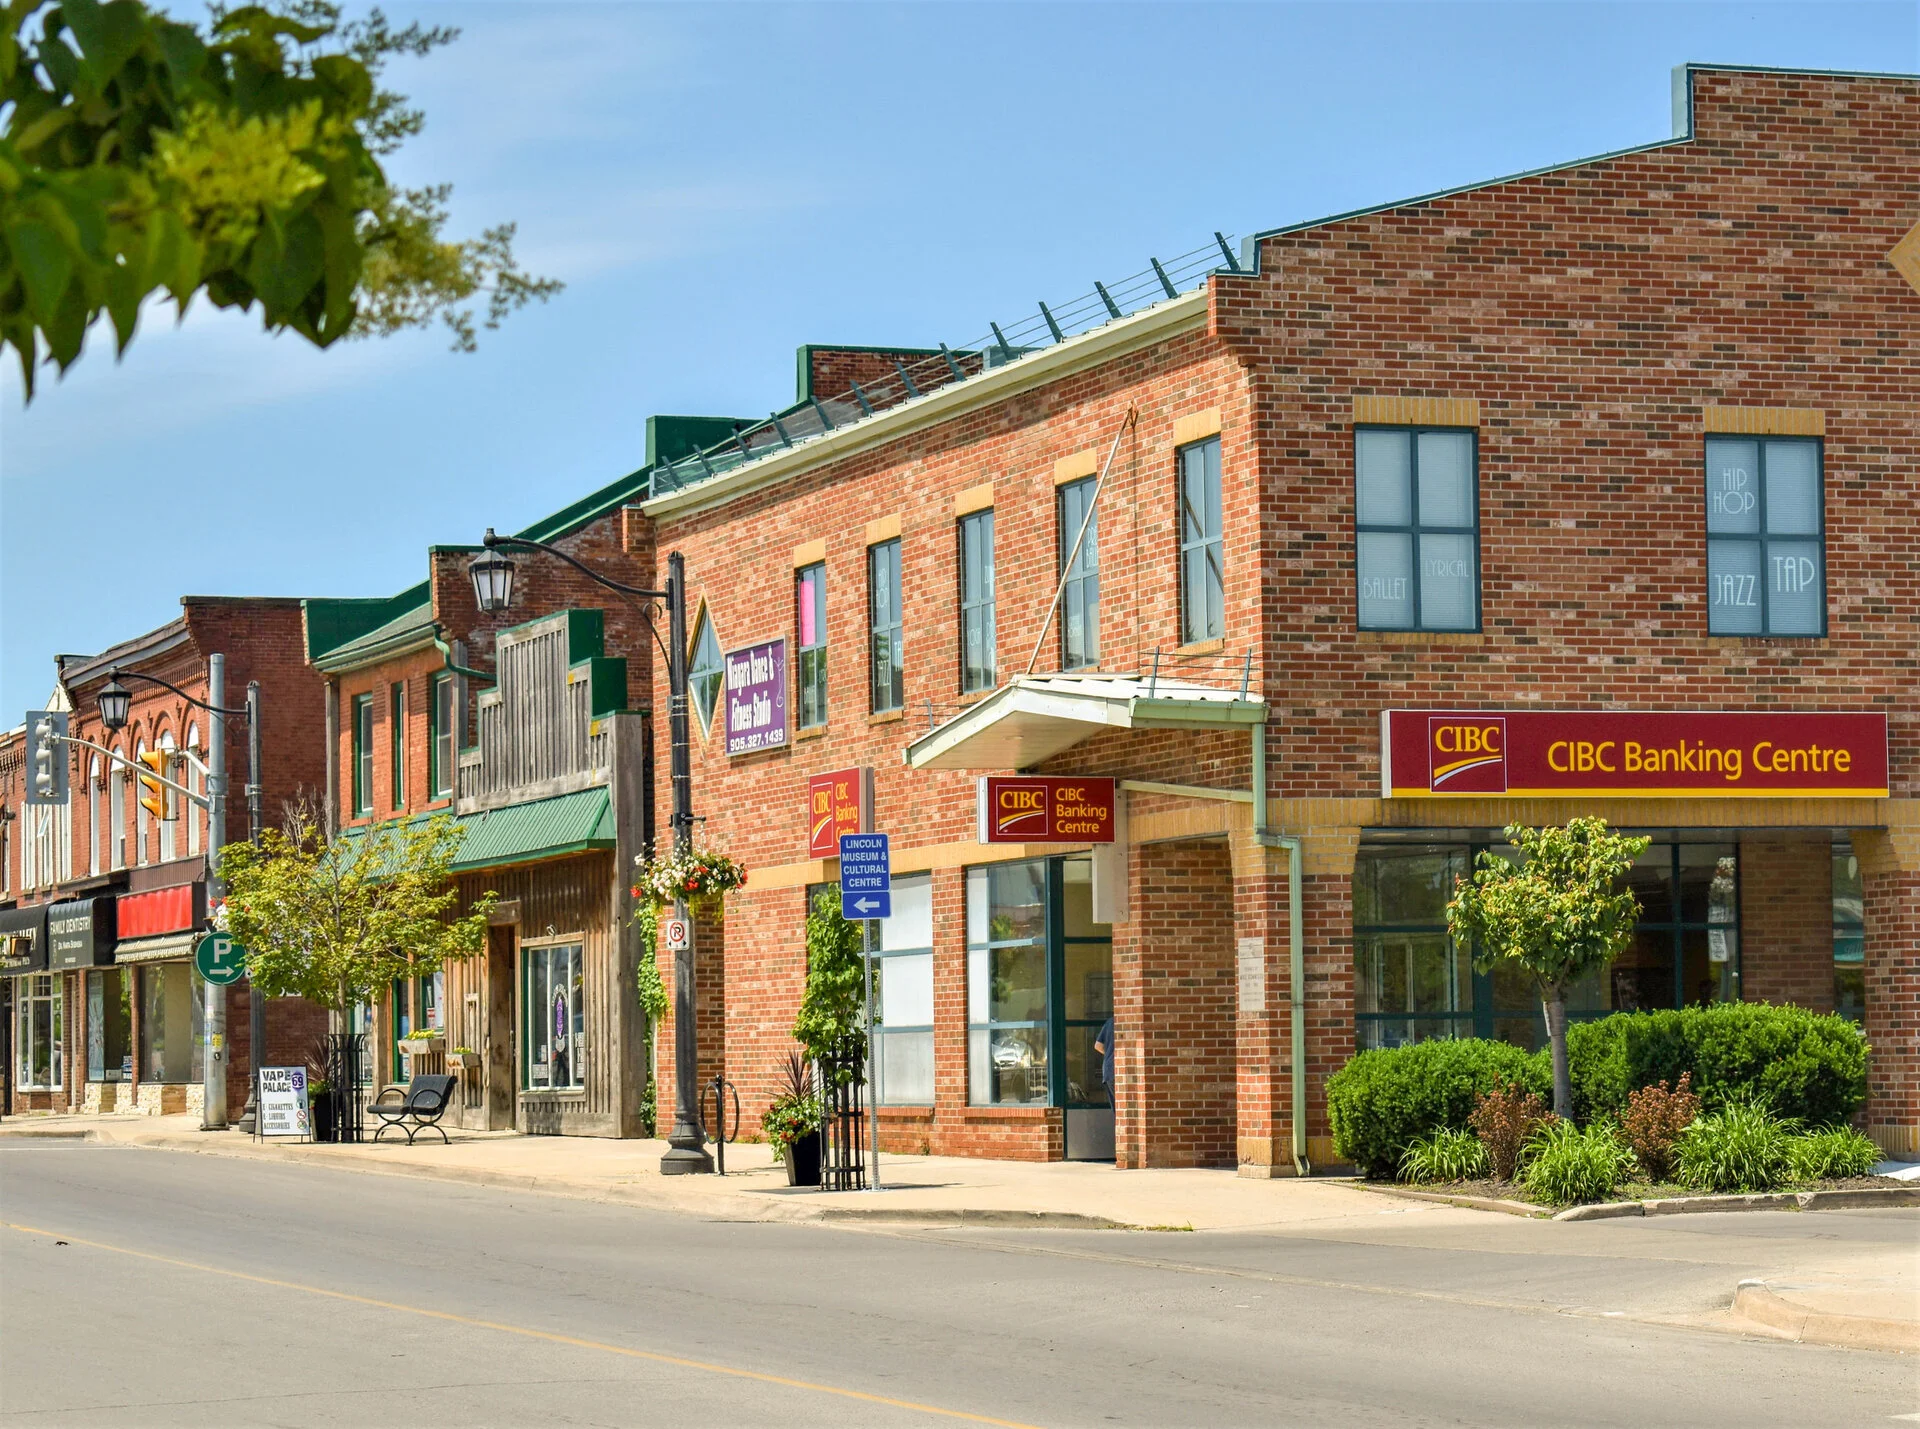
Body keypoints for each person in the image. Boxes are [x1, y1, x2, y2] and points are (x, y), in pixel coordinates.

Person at [1093, 1015, 1114, 1103]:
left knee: (1117, 1108)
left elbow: (1098, 1046)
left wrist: (1109, 1053)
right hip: (1117, 1069)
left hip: (1108, 1070)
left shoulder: (1110, 1022)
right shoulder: (1128, 1022)